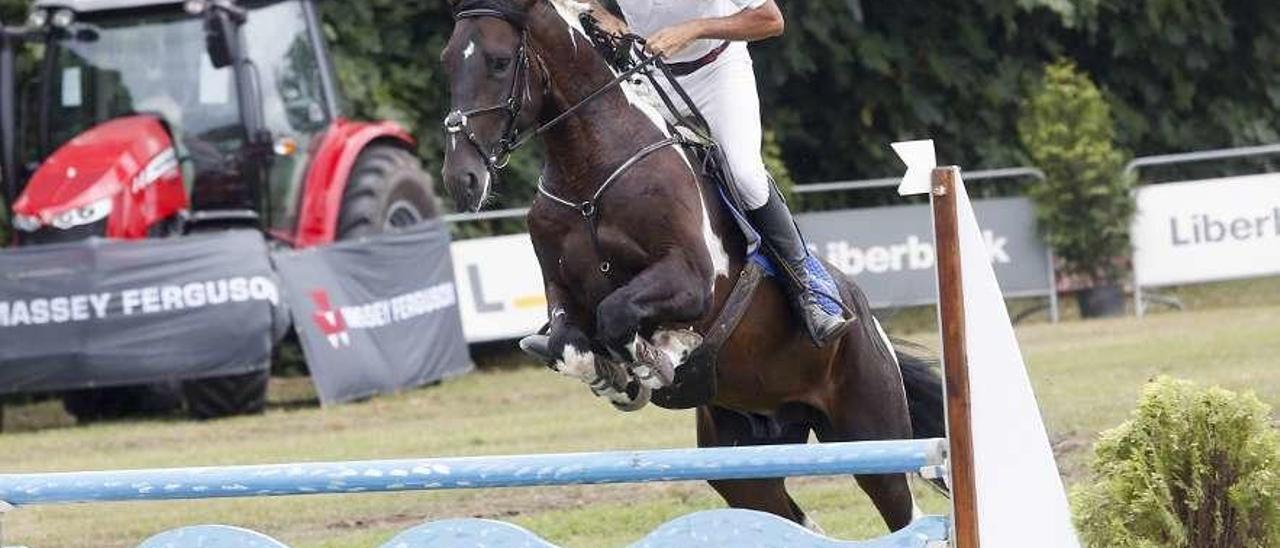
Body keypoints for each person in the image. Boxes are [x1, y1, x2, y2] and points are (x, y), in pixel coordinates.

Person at [585, 0, 851, 346]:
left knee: (745, 176)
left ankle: (809, 290)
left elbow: (771, 20)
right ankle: (581, 304)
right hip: (649, 75)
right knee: (616, 170)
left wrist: (695, 28)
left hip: (718, 71)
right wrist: (602, 15)